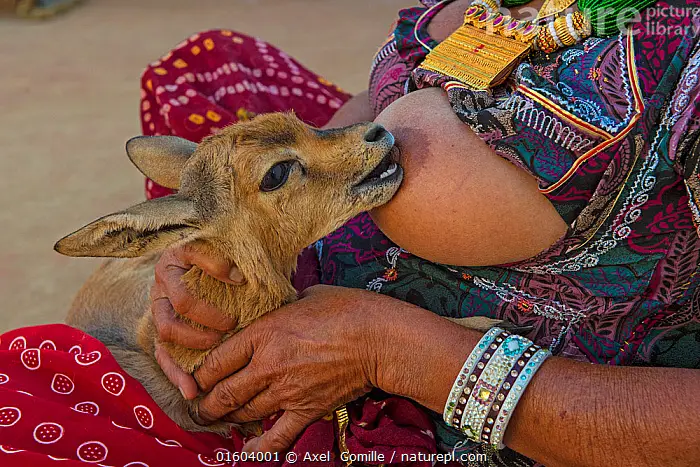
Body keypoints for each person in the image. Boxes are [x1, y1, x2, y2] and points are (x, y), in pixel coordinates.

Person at [1, 0, 699, 466]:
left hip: (461, 393)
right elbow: (380, 102)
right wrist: (218, 239)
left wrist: (393, 350)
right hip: (320, 247)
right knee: (211, 63)